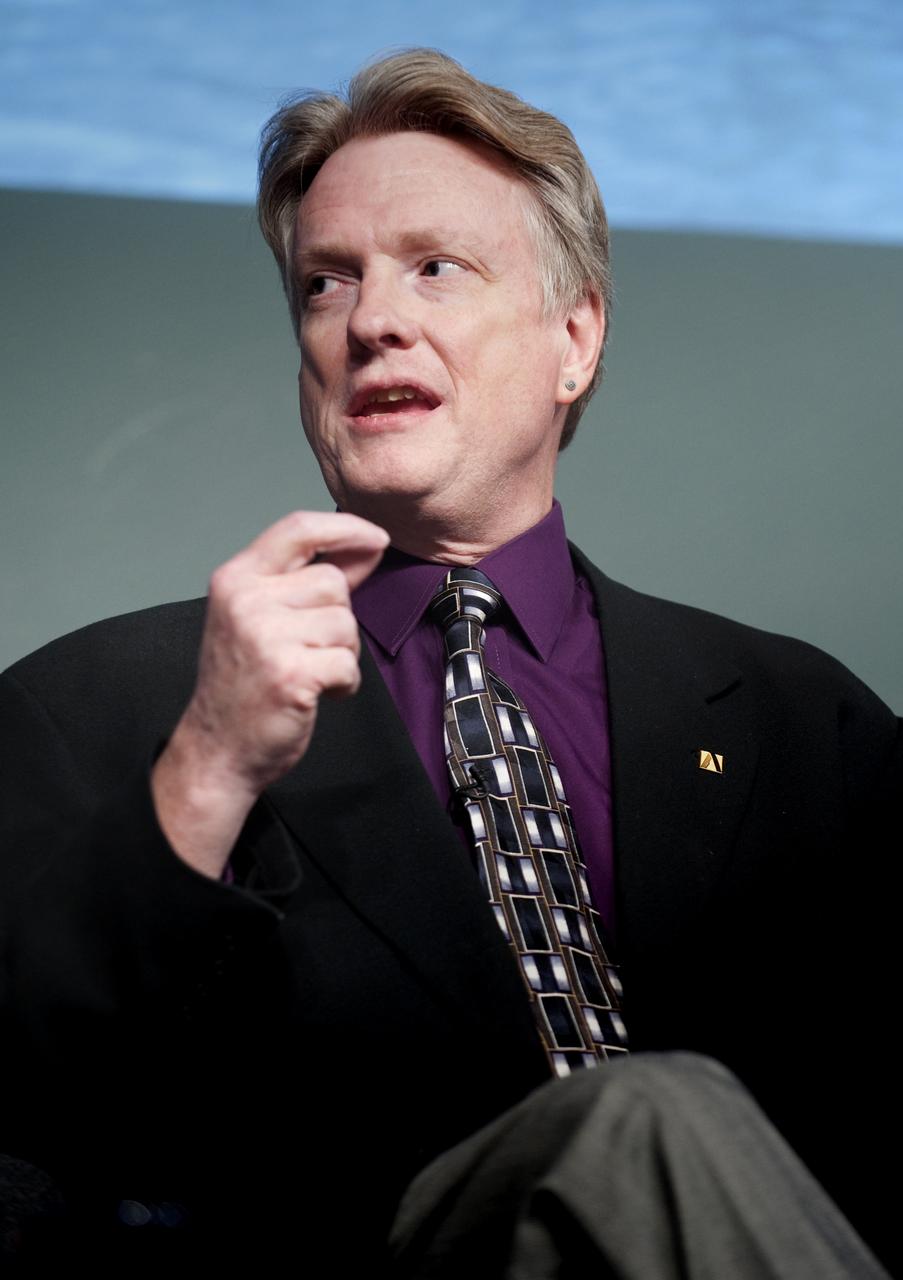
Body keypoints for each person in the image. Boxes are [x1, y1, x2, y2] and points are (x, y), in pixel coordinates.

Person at [1, 49, 898, 1274]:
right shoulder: (95, 708)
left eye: (437, 267)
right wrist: (208, 764)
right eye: (326, 284)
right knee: (645, 1112)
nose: (371, 319)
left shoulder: (811, 720)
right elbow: (33, 1118)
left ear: (572, 339)